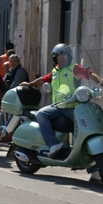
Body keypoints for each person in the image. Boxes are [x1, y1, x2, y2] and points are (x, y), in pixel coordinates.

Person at [21, 43, 102, 180]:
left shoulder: (74, 68)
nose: (63, 58)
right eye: (60, 56)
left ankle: (93, 167)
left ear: (70, 56)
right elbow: (43, 80)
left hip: (74, 107)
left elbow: (91, 75)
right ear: (55, 59)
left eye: (65, 55)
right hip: (58, 106)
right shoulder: (55, 71)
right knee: (41, 113)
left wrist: (101, 83)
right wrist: (29, 85)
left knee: (85, 131)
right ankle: (53, 144)